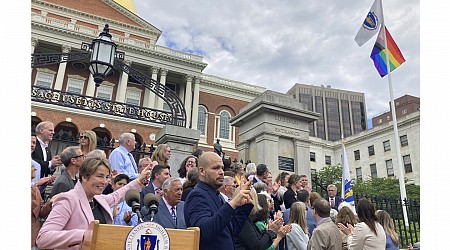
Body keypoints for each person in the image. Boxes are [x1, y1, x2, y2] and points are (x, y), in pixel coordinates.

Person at [36, 157, 151, 250]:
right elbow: (43, 238)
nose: (105, 182)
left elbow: (117, 195)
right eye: (100, 176)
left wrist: (139, 181)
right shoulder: (67, 200)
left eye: (107, 177)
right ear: (84, 177)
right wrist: (85, 234)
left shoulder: (100, 199)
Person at [184, 151, 254, 250]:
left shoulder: (217, 195)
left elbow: (231, 230)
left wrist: (243, 206)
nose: (221, 172)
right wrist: (232, 204)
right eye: (215, 168)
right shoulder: (197, 195)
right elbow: (204, 232)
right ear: (202, 171)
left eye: (222, 167)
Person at [31, 164, 58, 249]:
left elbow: (41, 212)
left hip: (34, 237)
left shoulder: (35, 189)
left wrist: (49, 203)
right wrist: (36, 183)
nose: (35, 169)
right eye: (31, 166)